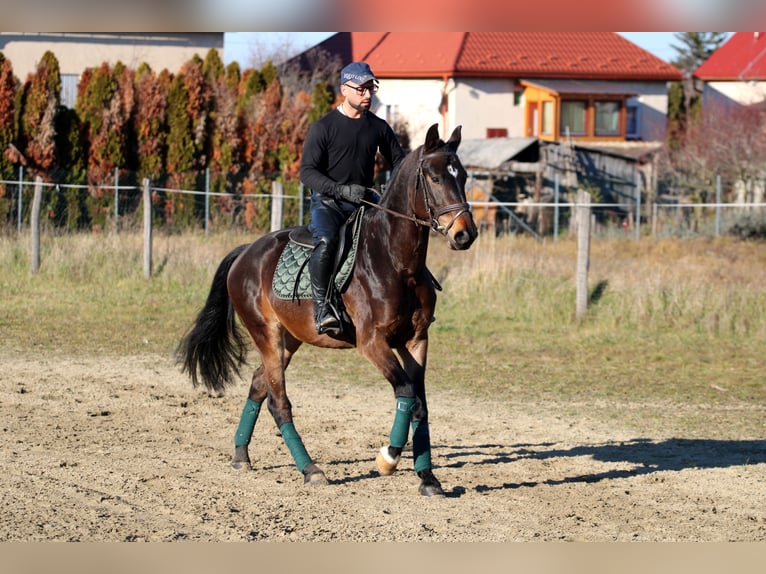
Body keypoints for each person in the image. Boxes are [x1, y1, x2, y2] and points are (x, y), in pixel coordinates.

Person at [300, 61, 406, 336]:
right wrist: (341, 190)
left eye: (371, 88)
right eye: (361, 89)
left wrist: (391, 190)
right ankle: (322, 309)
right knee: (326, 242)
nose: (368, 95)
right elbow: (307, 173)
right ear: (345, 89)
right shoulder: (323, 128)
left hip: (366, 201)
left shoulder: (379, 127)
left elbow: (400, 163)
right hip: (328, 204)